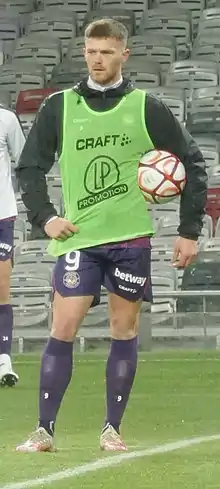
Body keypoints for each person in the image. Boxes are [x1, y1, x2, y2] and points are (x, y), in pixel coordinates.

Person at [15, 18, 207, 452]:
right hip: (78, 239)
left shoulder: (146, 106)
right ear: (83, 53)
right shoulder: (59, 106)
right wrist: (45, 218)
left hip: (130, 239)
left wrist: (188, 232)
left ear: (124, 54)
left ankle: (111, 430)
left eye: (105, 51)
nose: (97, 59)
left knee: (124, 329)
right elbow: (29, 168)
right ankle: (44, 430)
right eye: (90, 51)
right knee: (62, 327)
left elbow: (193, 164)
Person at [0, 104, 25, 387]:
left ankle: (4, 360)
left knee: (1, 289)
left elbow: (24, 159)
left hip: (2, 215)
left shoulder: (6, 119)